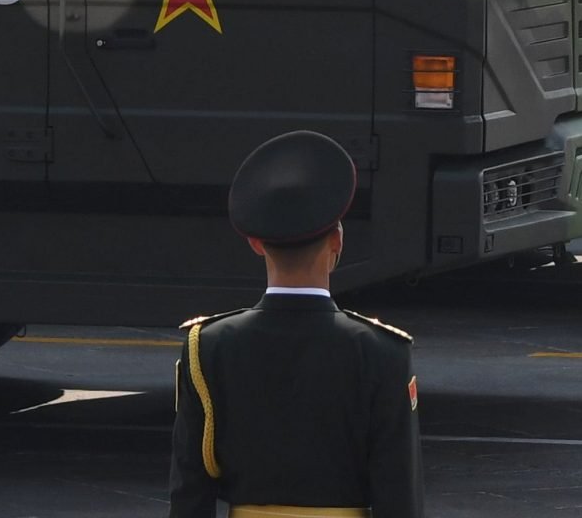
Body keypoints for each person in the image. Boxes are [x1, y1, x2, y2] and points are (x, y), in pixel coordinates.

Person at [168, 131, 423, 518]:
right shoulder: (382, 351)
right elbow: (398, 494)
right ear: (337, 240)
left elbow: (190, 490)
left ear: (255, 243)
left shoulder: (209, 345)